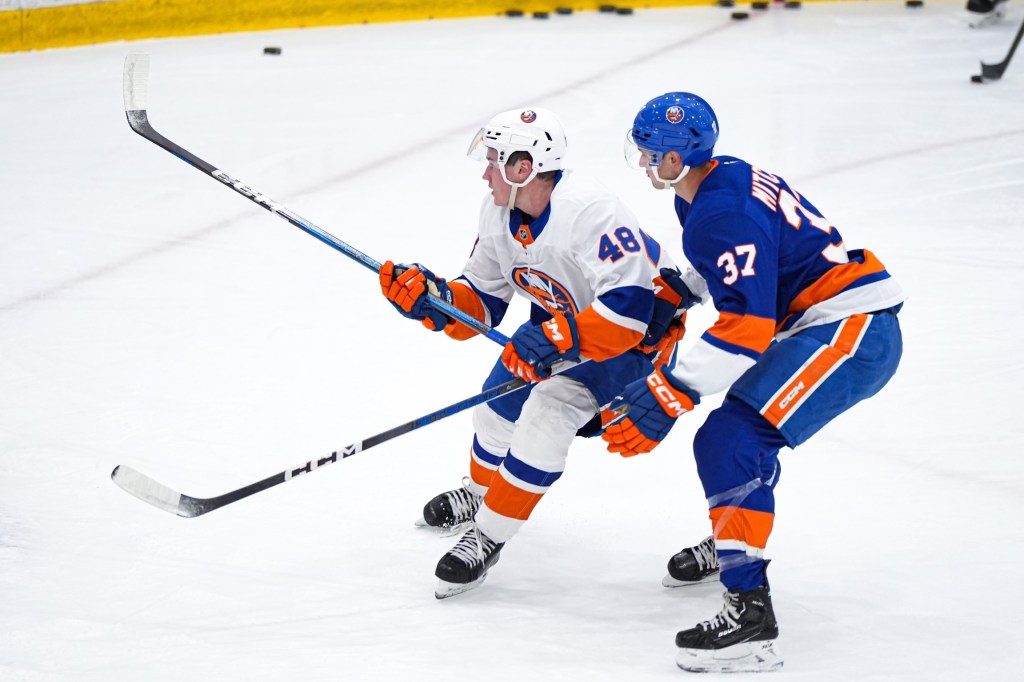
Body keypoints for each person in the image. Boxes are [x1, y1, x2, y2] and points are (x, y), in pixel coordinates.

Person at [603, 92, 905, 673]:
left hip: (851, 331)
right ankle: (734, 544)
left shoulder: (719, 211)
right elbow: (745, 257)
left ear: (677, 158)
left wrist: (674, 389)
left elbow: (747, 327)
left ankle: (750, 616)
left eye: (652, 152)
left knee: (732, 441)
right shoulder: (718, 180)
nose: (643, 161)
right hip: (828, 321)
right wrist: (681, 291)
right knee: (733, 442)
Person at [378, 107, 697, 599]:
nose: (486, 173)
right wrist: (436, 301)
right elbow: (482, 303)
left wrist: (557, 339)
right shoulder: (499, 213)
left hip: (633, 344)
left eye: (493, 162)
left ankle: (488, 535)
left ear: (522, 167)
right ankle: (482, 494)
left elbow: (632, 313)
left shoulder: (590, 212)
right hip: (563, 322)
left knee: (548, 413)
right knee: (495, 406)